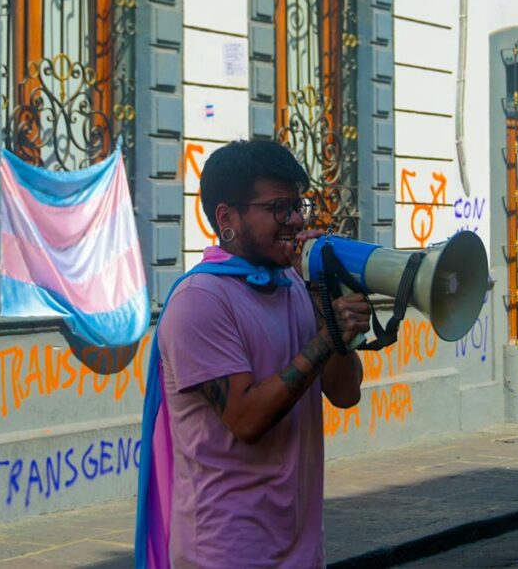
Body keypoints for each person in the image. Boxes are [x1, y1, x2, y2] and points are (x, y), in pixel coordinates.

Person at [136, 139, 369, 568]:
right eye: (279, 208)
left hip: (300, 551)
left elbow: (346, 393)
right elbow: (246, 419)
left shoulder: (295, 286)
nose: (296, 220)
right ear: (227, 218)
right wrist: (325, 339)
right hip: (224, 553)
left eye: (298, 205)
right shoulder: (200, 299)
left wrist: (327, 302)